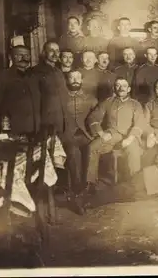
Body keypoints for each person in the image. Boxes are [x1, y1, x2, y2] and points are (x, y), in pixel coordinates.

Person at [85, 77, 144, 192]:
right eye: (118, 85)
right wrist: (101, 133)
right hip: (112, 134)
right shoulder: (108, 102)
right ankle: (90, 183)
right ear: (114, 88)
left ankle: (135, 184)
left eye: (124, 86)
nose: (121, 88)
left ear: (129, 89)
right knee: (92, 147)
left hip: (130, 135)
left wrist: (130, 139)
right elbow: (93, 118)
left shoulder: (135, 104)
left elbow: (139, 123)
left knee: (134, 151)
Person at [60, 70, 98, 212]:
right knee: (73, 152)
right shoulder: (61, 99)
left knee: (91, 151)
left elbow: (98, 118)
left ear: (82, 80)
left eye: (78, 77)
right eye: (71, 77)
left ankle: (87, 190)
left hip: (86, 135)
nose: (75, 80)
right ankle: (78, 192)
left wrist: (96, 133)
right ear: (67, 80)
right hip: (68, 136)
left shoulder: (90, 98)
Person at [0, 45, 41, 136]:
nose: (23, 58)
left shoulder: (34, 77)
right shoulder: (1, 77)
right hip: (13, 132)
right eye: (19, 55)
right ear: (10, 57)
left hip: (35, 131)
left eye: (27, 55)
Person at [33, 41, 70, 138]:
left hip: (60, 121)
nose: (55, 54)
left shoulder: (58, 72)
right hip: (45, 123)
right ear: (44, 52)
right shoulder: (36, 72)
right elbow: (34, 100)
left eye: (57, 51)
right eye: (51, 50)